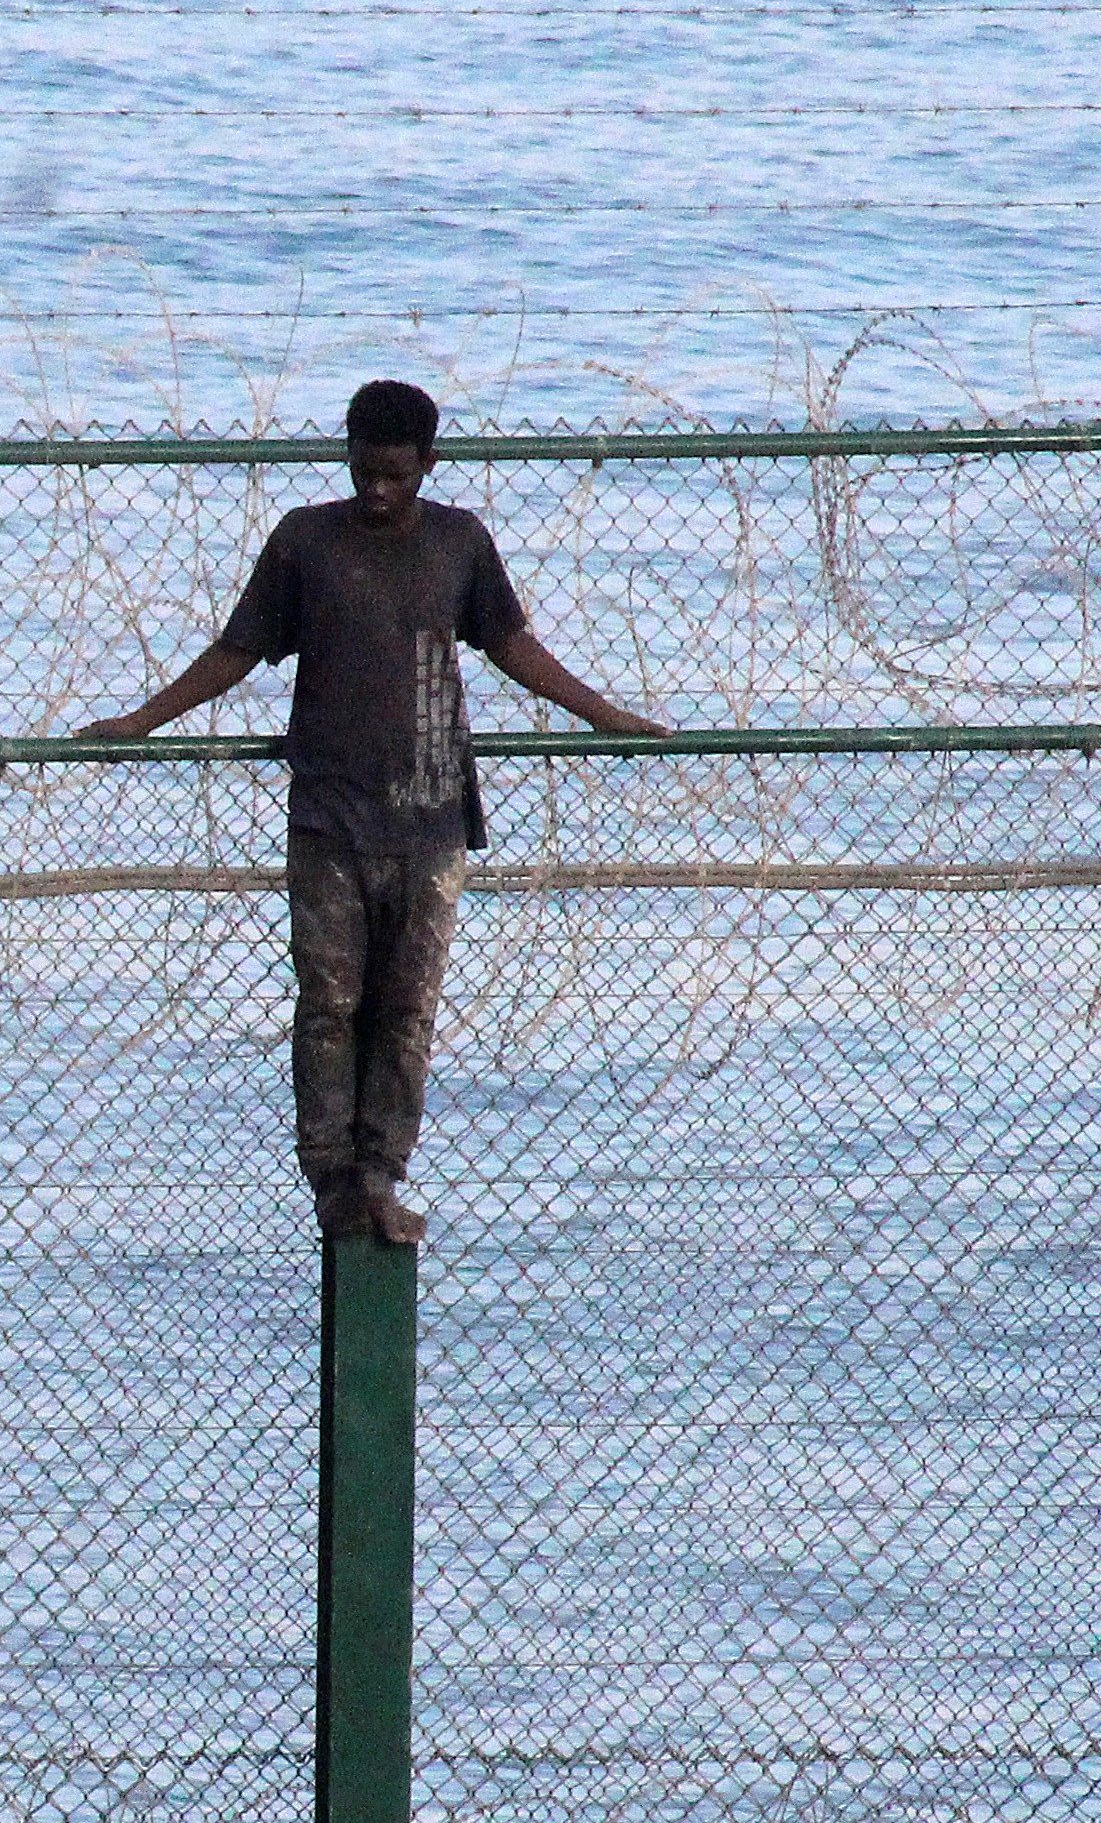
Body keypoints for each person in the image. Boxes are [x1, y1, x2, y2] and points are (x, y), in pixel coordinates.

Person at [78, 378, 665, 1245]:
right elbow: (239, 650)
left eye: (396, 475)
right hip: (329, 814)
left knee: (407, 1007)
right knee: (327, 999)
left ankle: (383, 1172)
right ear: (345, 455)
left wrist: (605, 714)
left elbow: (512, 646)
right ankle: (332, 1179)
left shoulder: (460, 543)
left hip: (430, 816)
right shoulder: (305, 544)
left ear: (429, 464)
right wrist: (140, 720)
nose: (378, 491)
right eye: (364, 472)